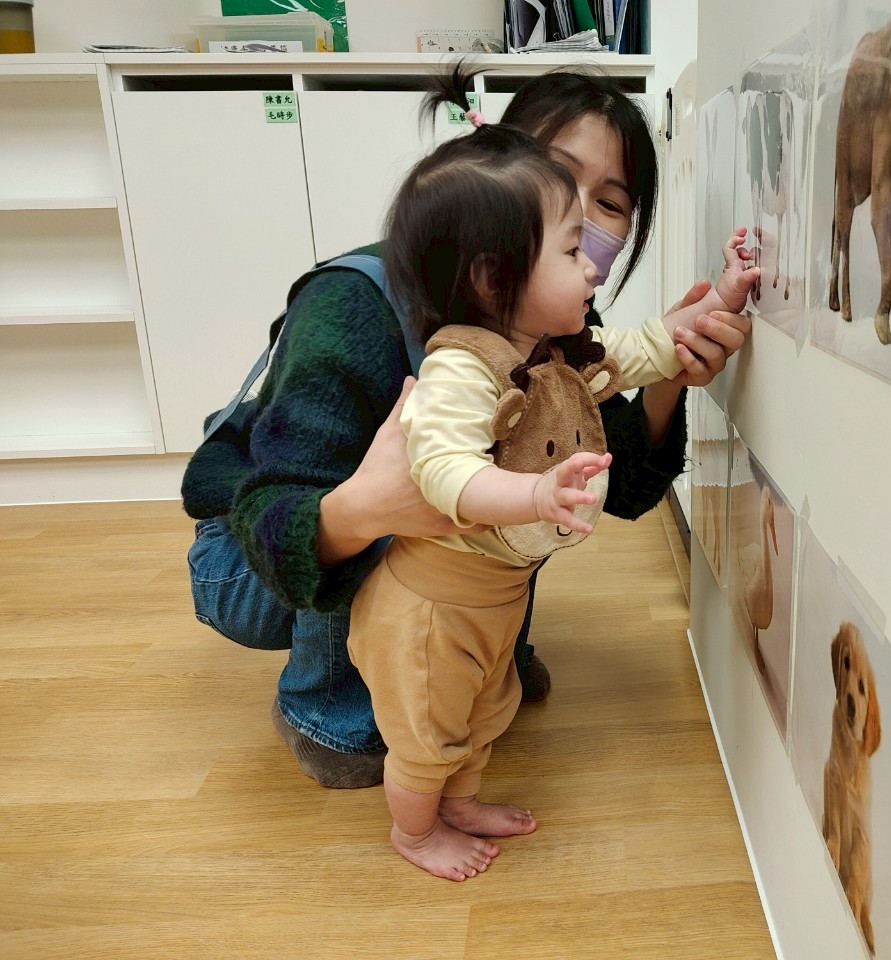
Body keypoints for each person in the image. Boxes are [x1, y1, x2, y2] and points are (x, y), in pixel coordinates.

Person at [181, 66, 753, 791]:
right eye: (557, 175)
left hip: (406, 545)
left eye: (611, 203)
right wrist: (367, 508)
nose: (583, 217)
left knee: (521, 471)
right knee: (440, 479)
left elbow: (625, 484)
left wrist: (675, 363)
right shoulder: (351, 307)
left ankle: (476, 656)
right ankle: (325, 707)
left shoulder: (552, 317)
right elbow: (276, 508)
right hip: (260, 548)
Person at [348, 109, 757, 879]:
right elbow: (443, 471)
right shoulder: (459, 368)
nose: (592, 268)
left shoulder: (550, 351)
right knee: (427, 735)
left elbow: (642, 350)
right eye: (571, 251)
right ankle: (415, 833)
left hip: (493, 598)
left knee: (486, 712)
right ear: (492, 278)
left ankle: (460, 805)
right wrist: (535, 494)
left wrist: (723, 297)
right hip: (431, 609)